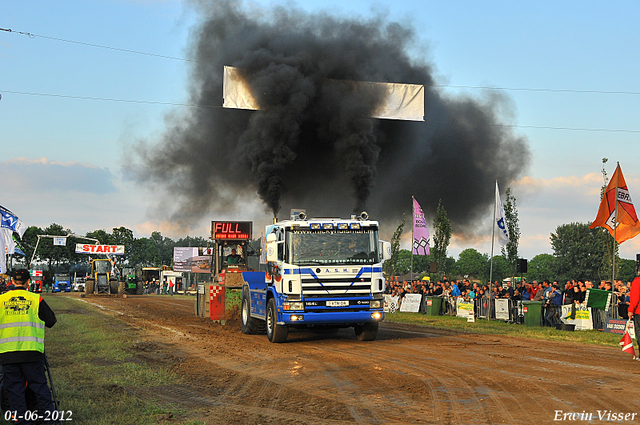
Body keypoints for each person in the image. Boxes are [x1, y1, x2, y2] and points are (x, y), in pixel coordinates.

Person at [0, 269, 57, 423]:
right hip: (32, 353)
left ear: (12, 282)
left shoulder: (1, 300)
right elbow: (51, 321)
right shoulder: (35, 299)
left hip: (7, 353)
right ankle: (50, 421)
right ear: (28, 282)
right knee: (40, 389)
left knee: (15, 392)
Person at [628, 269, 640, 359]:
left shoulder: (637, 282)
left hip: (638, 312)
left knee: (639, 333)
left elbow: (635, 297)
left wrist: (631, 310)